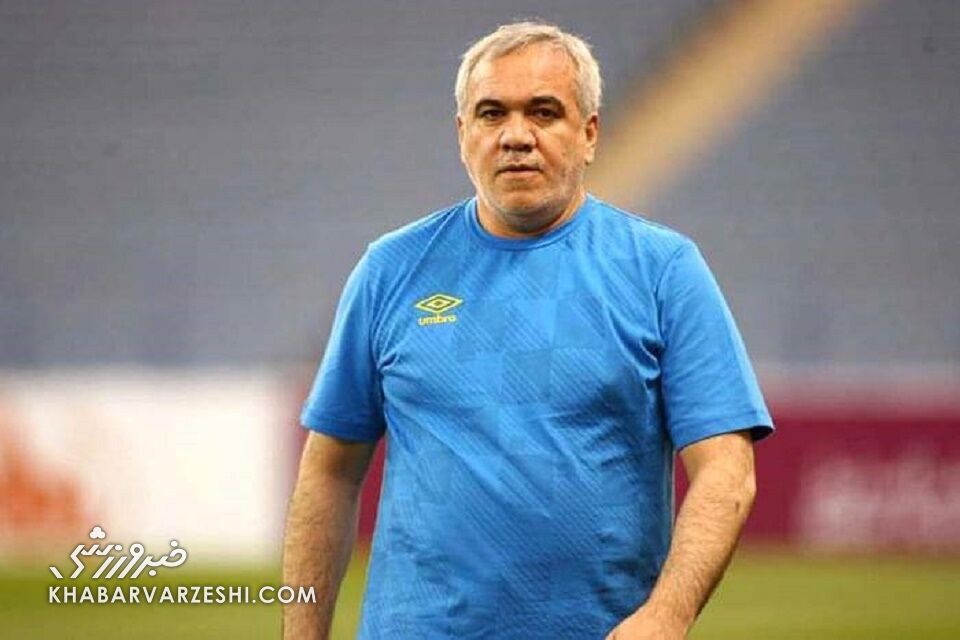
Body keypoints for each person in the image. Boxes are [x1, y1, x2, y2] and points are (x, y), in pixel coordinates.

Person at [283, 21, 773, 640]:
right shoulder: (390, 270)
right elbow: (328, 472)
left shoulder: (662, 271)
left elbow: (727, 469)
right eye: (492, 114)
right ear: (463, 135)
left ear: (589, 133)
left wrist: (667, 615)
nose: (516, 136)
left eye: (544, 112)